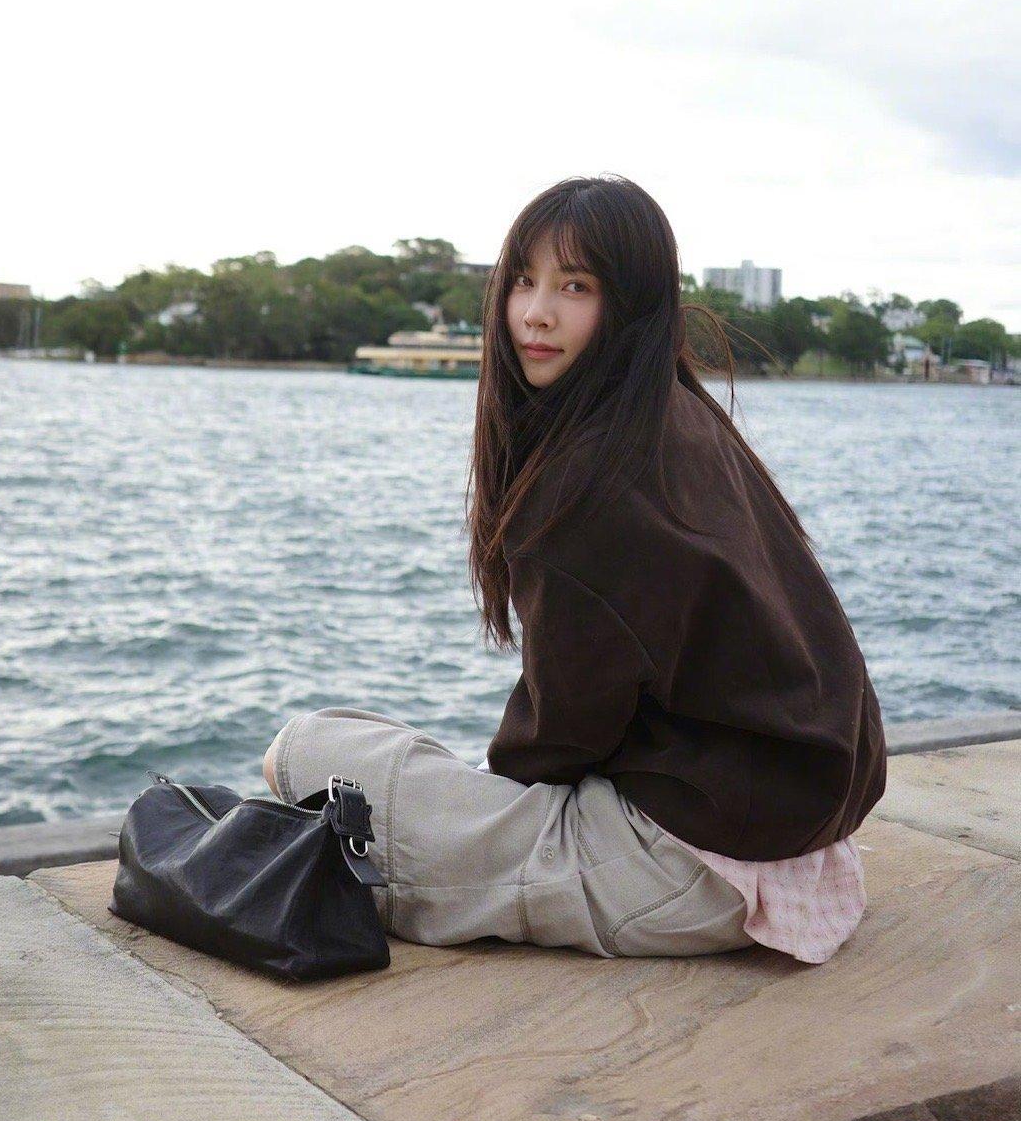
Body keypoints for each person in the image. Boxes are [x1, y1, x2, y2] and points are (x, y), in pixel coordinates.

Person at [264, 175, 888, 965]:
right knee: (379, 757)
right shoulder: (682, 419)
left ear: (631, 304)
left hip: (682, 868)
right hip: (787, 839)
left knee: (303, 752)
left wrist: (494, 796)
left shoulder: (585, 481)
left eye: (575, 287)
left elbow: (558, 742)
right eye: (523, 280)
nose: (536, 313)